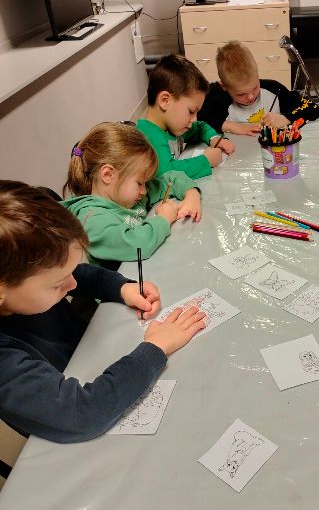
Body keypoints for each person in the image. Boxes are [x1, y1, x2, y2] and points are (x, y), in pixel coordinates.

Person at [0, 180, 206, 443]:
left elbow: (78, 275)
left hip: (87, 357)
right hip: (69, 432)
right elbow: (82, 413)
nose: (72, 285)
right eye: (58, 283)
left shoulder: (23, 286)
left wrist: (121, 287)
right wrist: (155, 348)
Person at [62, 123, 202, 268]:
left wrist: (192, 194)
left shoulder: (127, 196)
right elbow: (138, 245)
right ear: (108, 175)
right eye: (140, 183)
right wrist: (164, 219)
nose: (145, 191)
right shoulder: (92, 221)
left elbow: (171, 178)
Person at [137, 54, 235, 179]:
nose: (194, 119)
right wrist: (206, 161)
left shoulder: (173, 125)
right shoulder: (147, 137)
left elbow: (200, 127)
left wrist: (214, 139)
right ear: (165, 101)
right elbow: (165, 174)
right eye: (191, 111)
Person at [197, 40, 319, 136]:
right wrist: (229, 125)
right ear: (224, 86)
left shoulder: (274, 89)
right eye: (241, 94)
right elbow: (194, 122)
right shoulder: (218, 98)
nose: (250, 97)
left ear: (257, 74)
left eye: (255, 88)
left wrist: (285, 118)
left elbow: (313, 109)